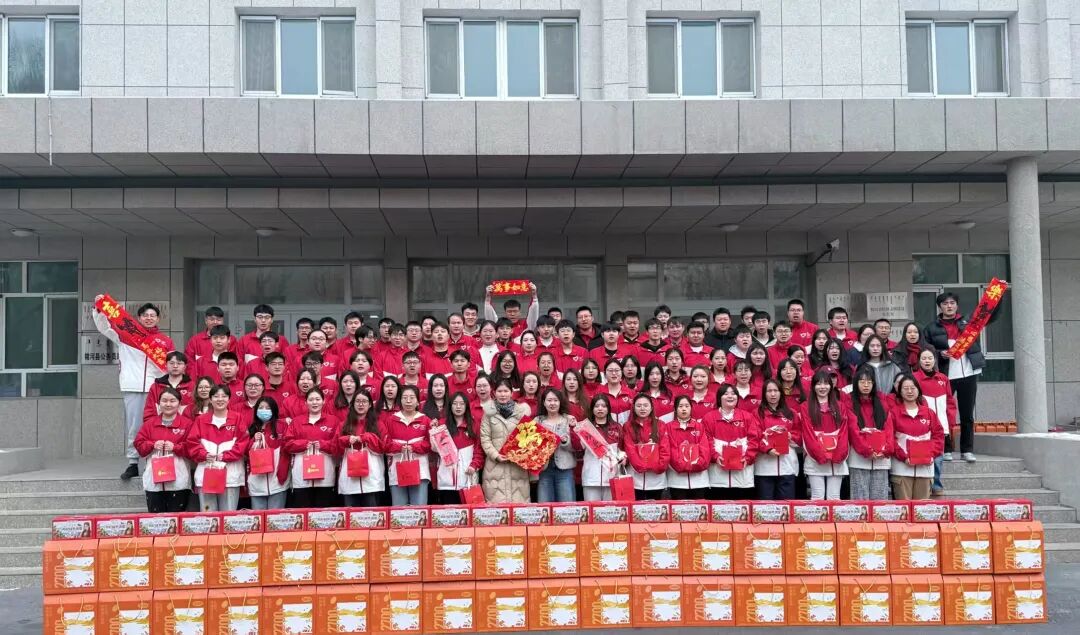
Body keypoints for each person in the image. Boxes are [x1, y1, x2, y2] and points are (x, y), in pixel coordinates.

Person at [92, 298, 176, 480]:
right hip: (133, 386)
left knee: (157, 425)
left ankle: (152, 461)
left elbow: (171, 365)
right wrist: (99, 310)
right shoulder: (126, 335)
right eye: (145, 315)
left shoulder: (165, 341)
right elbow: (104, 328)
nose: (149, 318)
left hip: (157, 389)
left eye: (152, 315)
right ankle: (133, 462)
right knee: (135, 427)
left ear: (158, 319)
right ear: (138, 318)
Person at [923, 292, 985, 463]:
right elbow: (925, 349)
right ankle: (946, 448)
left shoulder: (969, 323)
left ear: (957, 305)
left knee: (967, 414)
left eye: (952, 303)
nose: (949, 306)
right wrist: (939, 353)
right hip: (945, 375)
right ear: (939, 307)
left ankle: (967, 449)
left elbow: (989, 315)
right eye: (945, 303)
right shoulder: (931, 328)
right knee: (943, 413)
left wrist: (998, 297)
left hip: (968, 373)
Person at [185, 385, 249, 512]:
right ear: (210, 399)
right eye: (216, 396)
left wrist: (225, 456)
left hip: (231, 476)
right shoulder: (201, 420)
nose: (220, 399)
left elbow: (243, 443)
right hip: (206, 475)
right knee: (208, 516)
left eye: (224, 396)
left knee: (228, 516)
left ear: (229, 399)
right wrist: (204, 455)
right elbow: (191, 443)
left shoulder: (237, 418)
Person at [133, 387, 192, 513]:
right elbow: (139, 445)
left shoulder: (187, 424)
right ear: (159, 404)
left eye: (172, 401)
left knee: (176, 519)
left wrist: (175, 447)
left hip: (178, 481)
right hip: (154, 481)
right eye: (164, 401)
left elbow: (193, 448)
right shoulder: (150, 424)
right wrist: (152, 444)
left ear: (179, 403)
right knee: (155, 520)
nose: (168, 404)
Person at [890, 374, 945, 500]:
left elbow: (938, 436)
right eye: (905, 388)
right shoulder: (894, 413)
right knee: (903, 509)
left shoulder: (929, 413)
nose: (909, 391)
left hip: (925, 470)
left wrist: (931, 455)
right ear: (899, 391)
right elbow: (890, 438)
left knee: (921, 509)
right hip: (902, 469)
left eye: (913, 388)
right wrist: (904, 457)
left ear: (918, 390)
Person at [283, 388, 340, 508]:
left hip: (325, 476)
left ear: (324, 401)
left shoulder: (333, 421)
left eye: (318, 399)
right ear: (306, 402)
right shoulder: (296, 422)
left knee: (323, 513)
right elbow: (287, 444)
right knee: (303, 512)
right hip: (301, 476)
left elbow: (338, 445)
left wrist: (323, 445)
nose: (314, 402)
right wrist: (303, 444)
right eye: (311, 399)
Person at [800, 370, 853, 501]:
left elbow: (844, 431)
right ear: (813, 386)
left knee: (834, 497)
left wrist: (838, 455)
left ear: (831, 385)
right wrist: (819, 454)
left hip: (836, 458)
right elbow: (807, 433)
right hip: (815, 457)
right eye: (818, 384)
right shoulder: (805, 406)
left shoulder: (840, 406)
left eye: (826, 384)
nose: (822, 387)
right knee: (817, 496)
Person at [704, 384, 761, 500]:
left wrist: (748, 457)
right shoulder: (709, 418)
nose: (730, 396)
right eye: (726, 394)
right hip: (717, 477)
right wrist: (715, 457)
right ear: (719, 398)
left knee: (742, 509)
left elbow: (754, 440)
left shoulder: (747, 417)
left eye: (733, 394)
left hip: (742, 477)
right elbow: (706, 441)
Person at [480, 380, 533, 503]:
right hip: (494, 469)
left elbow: (528, 438)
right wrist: (495, 455)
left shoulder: (521, 413)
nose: (503, 394)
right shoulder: (488, 414)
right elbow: (485, 438)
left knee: (519, 509)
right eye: (499, 391)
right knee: (496, 509)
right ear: (494, 393)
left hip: (517, 469)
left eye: (506, 391)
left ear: (511, 393)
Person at [915, 348, 958, 494]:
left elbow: (950, 402)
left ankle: (936, 484)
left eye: (930, 358)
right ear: (919, 361)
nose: (927, 361)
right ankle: (924, 485)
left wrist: (950, 422)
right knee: (925, 456)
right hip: (922, 425)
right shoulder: (914, 378)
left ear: (935, 360)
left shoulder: (943, 379)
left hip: (941, 425)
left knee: (938, 456)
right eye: (924, 358)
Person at [847, 366, 894, 500]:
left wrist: (886, 449)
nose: (866, 385)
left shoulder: (882, 401)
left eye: (869, 382)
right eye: (862, 382)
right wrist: (866, 450)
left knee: (880, 500)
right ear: (856, 383)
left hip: (881, 457)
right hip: (859, 458)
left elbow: (889, 427)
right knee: (860, 500)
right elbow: (853, 430)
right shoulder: (850, 402)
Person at [381, 385, 432, 506]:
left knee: (419, 509)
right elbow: (385, 444)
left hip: (420, 471)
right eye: (405, 398)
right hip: (397, 469)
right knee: (399, 509)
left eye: (412, 397)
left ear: (418, 401)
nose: (408, 401)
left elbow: (431, 444)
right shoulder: (390, 420)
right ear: (400, 400)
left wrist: (414, 447)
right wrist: (400, 447)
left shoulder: (425, 420)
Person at [429, 392, 483, 504]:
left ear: (466, 406)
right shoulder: (442, 424)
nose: (458, 407)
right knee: (449, 512)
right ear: (450, 406)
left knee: (468, 512)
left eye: (462, 404)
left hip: (467, 477)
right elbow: (434, 449)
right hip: (446, 478)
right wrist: (433, 431)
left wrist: (474, 465)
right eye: (455, 404)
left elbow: (479, 449)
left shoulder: (474, 425)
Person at [337, 389, 386, 507]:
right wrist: (347, 440)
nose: (361, 404)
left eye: (364, 401)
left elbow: (384, 447)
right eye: (358, 401)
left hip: (372, 477)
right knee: (350, 513)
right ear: (353, 404)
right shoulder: (344, 424)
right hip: (349, 477)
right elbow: (335, 448)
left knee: (371, 513)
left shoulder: (378, 424)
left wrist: (367, 437)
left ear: (370, 404)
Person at [754, 380, 801, 501]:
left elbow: (800, 434)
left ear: (781, 393)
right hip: (764, 467)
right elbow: (755, 436)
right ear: (764, 393)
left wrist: (790, 436)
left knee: (786, 505)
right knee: (765, 506)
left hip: (787, 465)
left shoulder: (791, 413)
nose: (773, 394)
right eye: (769, 391)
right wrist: (767, 449)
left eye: (776, 390)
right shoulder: (757, 413)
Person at [578, 394, 625, 502]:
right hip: (591, 478)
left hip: (611, 477)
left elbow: (621, 449)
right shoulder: (585, 428)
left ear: (608, 409)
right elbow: (579, 448)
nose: (600, 409)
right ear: (592, 409)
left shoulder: (617, 427)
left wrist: (623, 457)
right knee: (592, 510)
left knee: (610, 510)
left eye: (603, 406)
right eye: (597, 406)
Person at [623, 394, 671, 500]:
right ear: (633, 408)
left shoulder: (660, 424)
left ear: (651, 407)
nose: (642, 408)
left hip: (656, 478)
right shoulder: (628, 426)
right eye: (639, 406)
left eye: (645, 405)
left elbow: (665, 448)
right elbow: (629, 449)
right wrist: (640, 466)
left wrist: (659, 466)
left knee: (655, 508)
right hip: (636, 477)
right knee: (636, 508)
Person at [246, 396, 290, 510]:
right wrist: (254, 440)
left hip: (277, 482)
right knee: (258, 518)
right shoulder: (252, 428)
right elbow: (245, 452)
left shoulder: (282, 426)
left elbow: (287, 448)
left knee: (275, 518)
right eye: (261, 408)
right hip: (256, 482)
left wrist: (282, 475)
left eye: (268, 408)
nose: (264, 410)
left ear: (274, 410)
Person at [535, 388, 577, 503]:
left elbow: (577, 447)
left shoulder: (568, 420)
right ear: (544, 403)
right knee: (545, 506)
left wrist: (565, 442)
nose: (552, 403)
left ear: (560, 402)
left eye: (555, 400)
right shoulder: (537, 421)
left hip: (564, 469)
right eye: (549, 400)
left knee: (566, 507)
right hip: (544, 470)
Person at [666, 395, 711, 499]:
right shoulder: (668, 427)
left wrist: (697, 464)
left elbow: (705, 449)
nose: (684, 409)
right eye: (680, 406)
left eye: (687, 406)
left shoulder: (699, 426)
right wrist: (682, 465)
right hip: (677, 479)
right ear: (675, 409)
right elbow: (671, 450)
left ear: (691, 408)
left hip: (699, 479)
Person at [143, 351, 194, 421]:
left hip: (186, 426)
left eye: (179, 363)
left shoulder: (193, 386)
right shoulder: (156, 387)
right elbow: (149, 412)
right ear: (166, 365)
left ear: (185, 366)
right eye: (171, 363)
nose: (175, 366)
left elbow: (197, 411)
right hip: (160, 425)